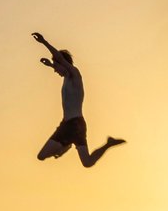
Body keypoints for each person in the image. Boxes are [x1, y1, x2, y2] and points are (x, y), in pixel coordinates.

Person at [32, 32, 124, 167]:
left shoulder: (74, 74)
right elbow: (59, 63)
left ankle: (65, 146)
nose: (55, 71)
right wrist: (51, 65)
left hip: (72, 125)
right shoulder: (67, 79)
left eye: (56, 67)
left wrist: (44, 42)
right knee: (87, 162)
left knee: (41, 156)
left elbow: (60, 58)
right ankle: (108, 144)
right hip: (77, 124)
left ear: (63, 63)